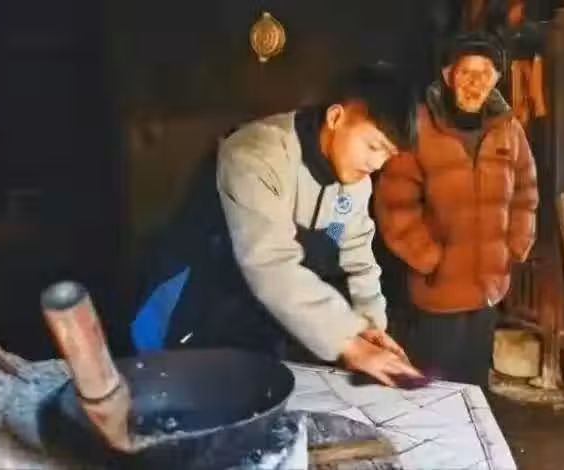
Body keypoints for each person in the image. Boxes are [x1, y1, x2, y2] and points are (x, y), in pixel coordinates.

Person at [133, 63, 422, 387]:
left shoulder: (354, 184)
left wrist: (370, 326)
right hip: (191, 310)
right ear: (336, 117)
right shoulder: (256, 153)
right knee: (180, 398)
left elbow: (355, 254)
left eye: (387, 155)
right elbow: (271, 263)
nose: (376, 163)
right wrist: (349, 343)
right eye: (373, 146)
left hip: (262, 320)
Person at [374, 32, 539, 388]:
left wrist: (515, 245)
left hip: (488, 289)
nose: (475, 83)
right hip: (438, 291)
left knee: (475, 385)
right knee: (433, 389)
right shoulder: (420, 127)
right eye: (466, 72)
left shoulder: (508, 128)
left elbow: (526, 191)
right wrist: (430, 259)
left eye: (485, 73)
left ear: (497, 79)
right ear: (449, 76)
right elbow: (394, 204)